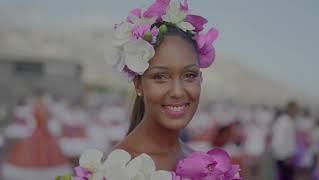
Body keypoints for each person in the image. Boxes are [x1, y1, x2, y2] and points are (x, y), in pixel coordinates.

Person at [67, 1, 240, 179]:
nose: (178, 92)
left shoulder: (206, 164)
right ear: (138, 84)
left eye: (189, 75)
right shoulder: (112, 171)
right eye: (160, 77)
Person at [271, 101, 298, 180]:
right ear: (290, 109)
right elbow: (279, 140)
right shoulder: (285, 122)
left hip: (285, 156)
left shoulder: (287, 120)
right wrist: (286, 156)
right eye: (295, 110)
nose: (296, 112)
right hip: (284, 157)